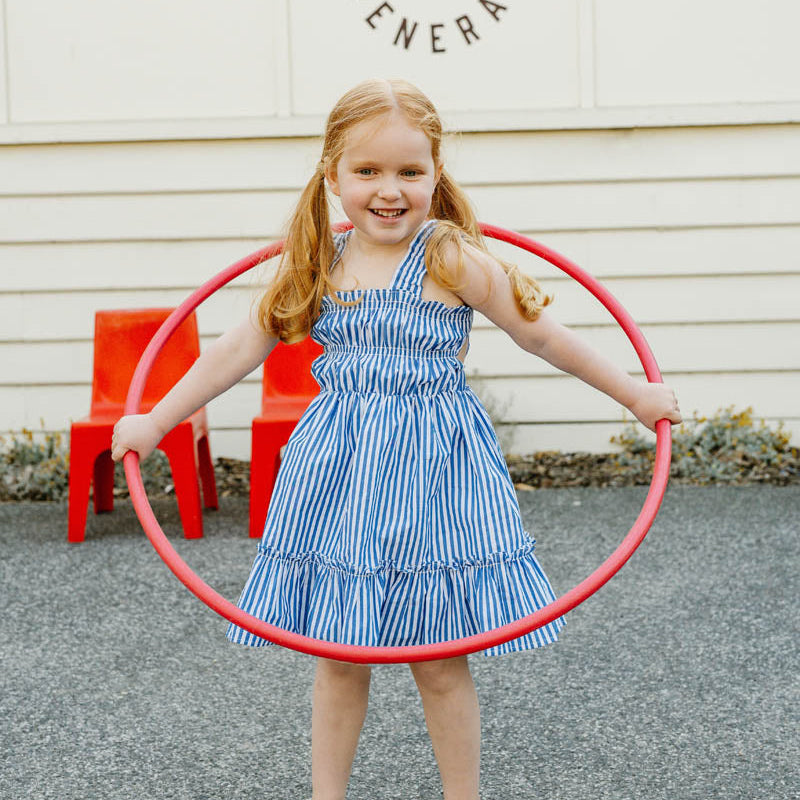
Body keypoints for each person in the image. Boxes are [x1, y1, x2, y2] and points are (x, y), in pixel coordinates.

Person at [112, 78, 682, 800]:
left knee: (438, 658)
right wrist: (157, 420)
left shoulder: (451, 258)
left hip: (436, 475)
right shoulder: (317, 259)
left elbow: (542, 335)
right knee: (339, 653)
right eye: (368, 171)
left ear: (436, 173)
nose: (389, 190)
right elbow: (238, 348)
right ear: (333, 176)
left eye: (410, 171)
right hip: (340, 475)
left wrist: (633, 395)